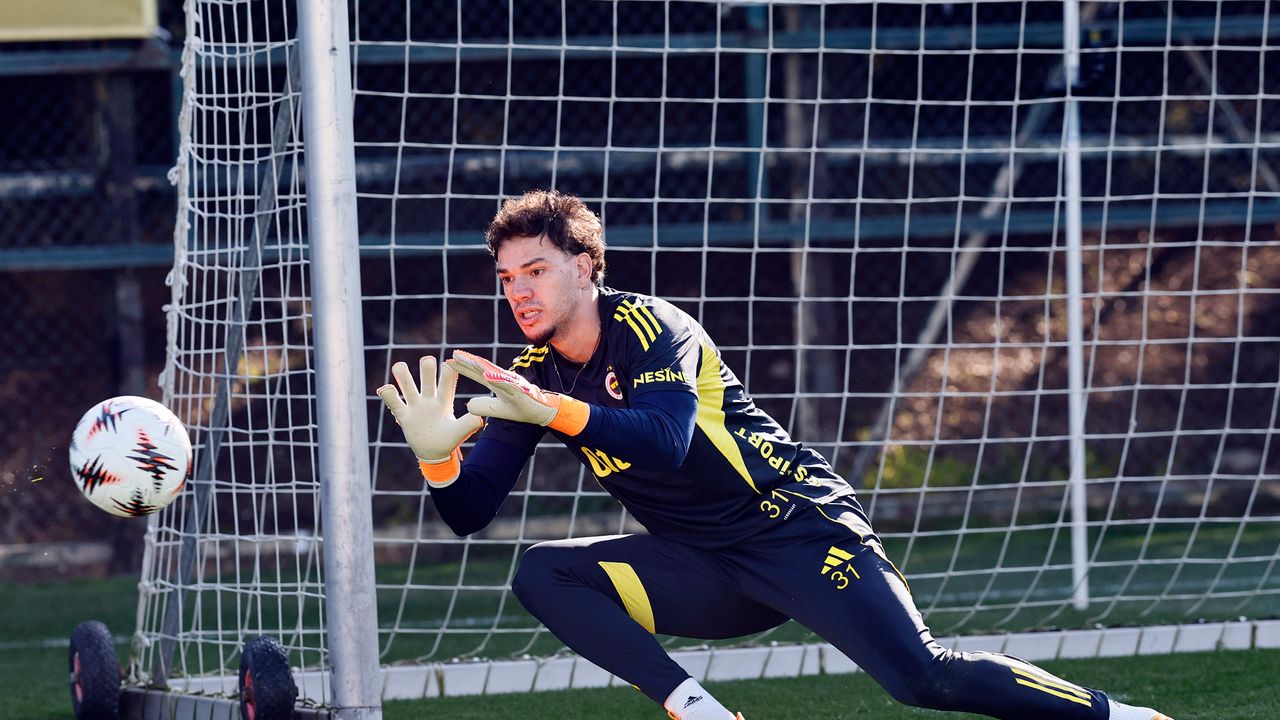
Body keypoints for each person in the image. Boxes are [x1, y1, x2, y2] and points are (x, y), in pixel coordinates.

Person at [376, 189, 1173, 720]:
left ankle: (1119, 715)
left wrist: (554, 409)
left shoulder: (653, 327)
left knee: (924, 677)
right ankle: (697, 710)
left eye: (536, 270)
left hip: (796, 528)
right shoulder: (531, 374)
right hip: (706, 569)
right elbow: (470, 513)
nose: (519, 291)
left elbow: (665, 440)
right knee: (543, 572)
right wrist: (439, 458)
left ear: (585, 267)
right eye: (507, 277)